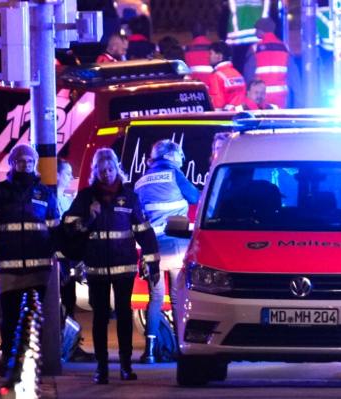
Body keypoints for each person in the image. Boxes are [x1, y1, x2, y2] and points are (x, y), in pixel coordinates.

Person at [63, 148, 160, 384]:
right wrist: (88, 217)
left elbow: (144, 232)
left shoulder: (130, 197)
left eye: (110, 169)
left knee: (125, 315)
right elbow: (68, 227)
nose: (106, 174)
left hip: (124, 267)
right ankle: (102, 369)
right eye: (102, 170)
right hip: (95, 268)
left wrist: (152, 264)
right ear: (95, 172)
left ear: (117, 169)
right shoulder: (86, 198)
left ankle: (126, 366)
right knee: (100, 318)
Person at [0, 143, 60, 378]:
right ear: (12, 163)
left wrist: (65, 258)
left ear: (35, 164)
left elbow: (55, 229)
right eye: (21, 160)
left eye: (30, 161)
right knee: (10, 316)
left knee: (32, 317)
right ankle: (7, 355)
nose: (25, 164)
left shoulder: (46, 194)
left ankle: (28, 362)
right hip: (6, 265)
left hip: (38, 267)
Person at [134, 140, 200, 364]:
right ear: (170, 156)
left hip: (151, 249)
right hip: (174, 246)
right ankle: (181, 349)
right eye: (180, 155)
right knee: (177, 298)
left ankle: (150, 351)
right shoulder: (175, 175)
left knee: (154, 298)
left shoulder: (141, 181)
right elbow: (196, 197)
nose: (182, 160)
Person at [243, 18, 301, 109]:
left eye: (257, 29)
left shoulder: (255, 49)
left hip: (260, 99)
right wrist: (299, 102)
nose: (255, 32)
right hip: (282, 99)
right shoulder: (285, 48)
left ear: (262, 30)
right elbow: (294, 77)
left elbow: (248, 77)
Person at [56, 158, 77, 319]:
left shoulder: (68, 200)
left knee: (70, 301)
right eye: (67, 173)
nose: (71, 177)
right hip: (56, 260)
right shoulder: (51, 200)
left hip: (68, 259)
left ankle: (70, 341)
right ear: (56, 174)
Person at [208, 41, 246, 111]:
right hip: (240, 116)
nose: (208, 56)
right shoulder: (238, 75)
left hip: (226, 118)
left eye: (211, 53)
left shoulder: (216, 76)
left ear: (219, 56)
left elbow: (217, 106)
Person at [185, 22, 213, 87]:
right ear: (206, 32)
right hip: (211, 84)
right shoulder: (212, 46)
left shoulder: (188, 48)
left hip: (195, 86)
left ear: (192, 34)